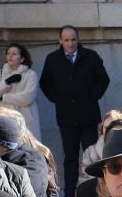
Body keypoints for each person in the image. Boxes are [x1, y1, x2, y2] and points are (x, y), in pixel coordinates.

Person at [37, 26, 110, 185]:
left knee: (92, 155)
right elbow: (45, 83)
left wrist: (92, 97)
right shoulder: (53, 58)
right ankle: (69, 193)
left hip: (88, 115)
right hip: (66, 116)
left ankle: (98, 190)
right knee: (70, 156)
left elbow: (103, 79)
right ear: (60, 41)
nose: (70, 43)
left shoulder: (90, 56)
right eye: (66, 40)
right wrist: (58, 98)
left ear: (78, 39)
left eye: (73, 39)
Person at [0, 43, 41, 139]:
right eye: (8, 53)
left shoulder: (30, 74)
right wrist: (6, 82)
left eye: (14, 54)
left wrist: (3, 97)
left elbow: (28, 97)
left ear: (22, 59)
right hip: (3, 118)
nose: (10, 56)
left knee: (27, 148)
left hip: (25, 120)